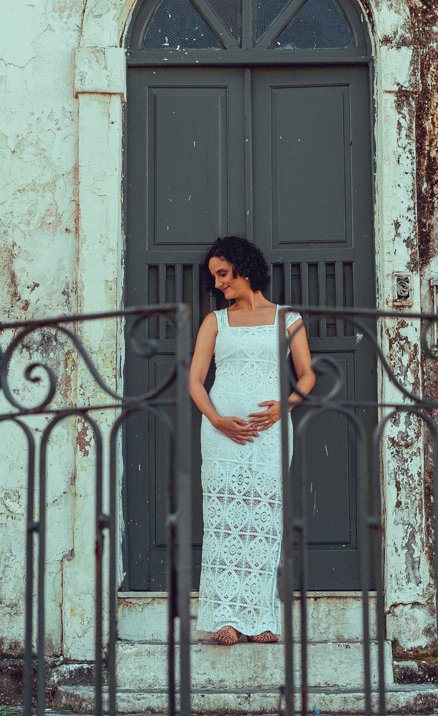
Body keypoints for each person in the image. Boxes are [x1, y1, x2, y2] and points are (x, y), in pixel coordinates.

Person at [189, 236, 315, 646]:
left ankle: (260, 616)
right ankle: (224, 617)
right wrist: (217, 420)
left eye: (223, 274)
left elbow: (308, 375)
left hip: (269, 434)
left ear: (244, 268)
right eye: (215, 277)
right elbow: (195, 381)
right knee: (225, 521)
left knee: (263, 520)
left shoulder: (287, 317)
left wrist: (286, 406)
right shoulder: (215, 321)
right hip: (221, 434)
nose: (219, 283)